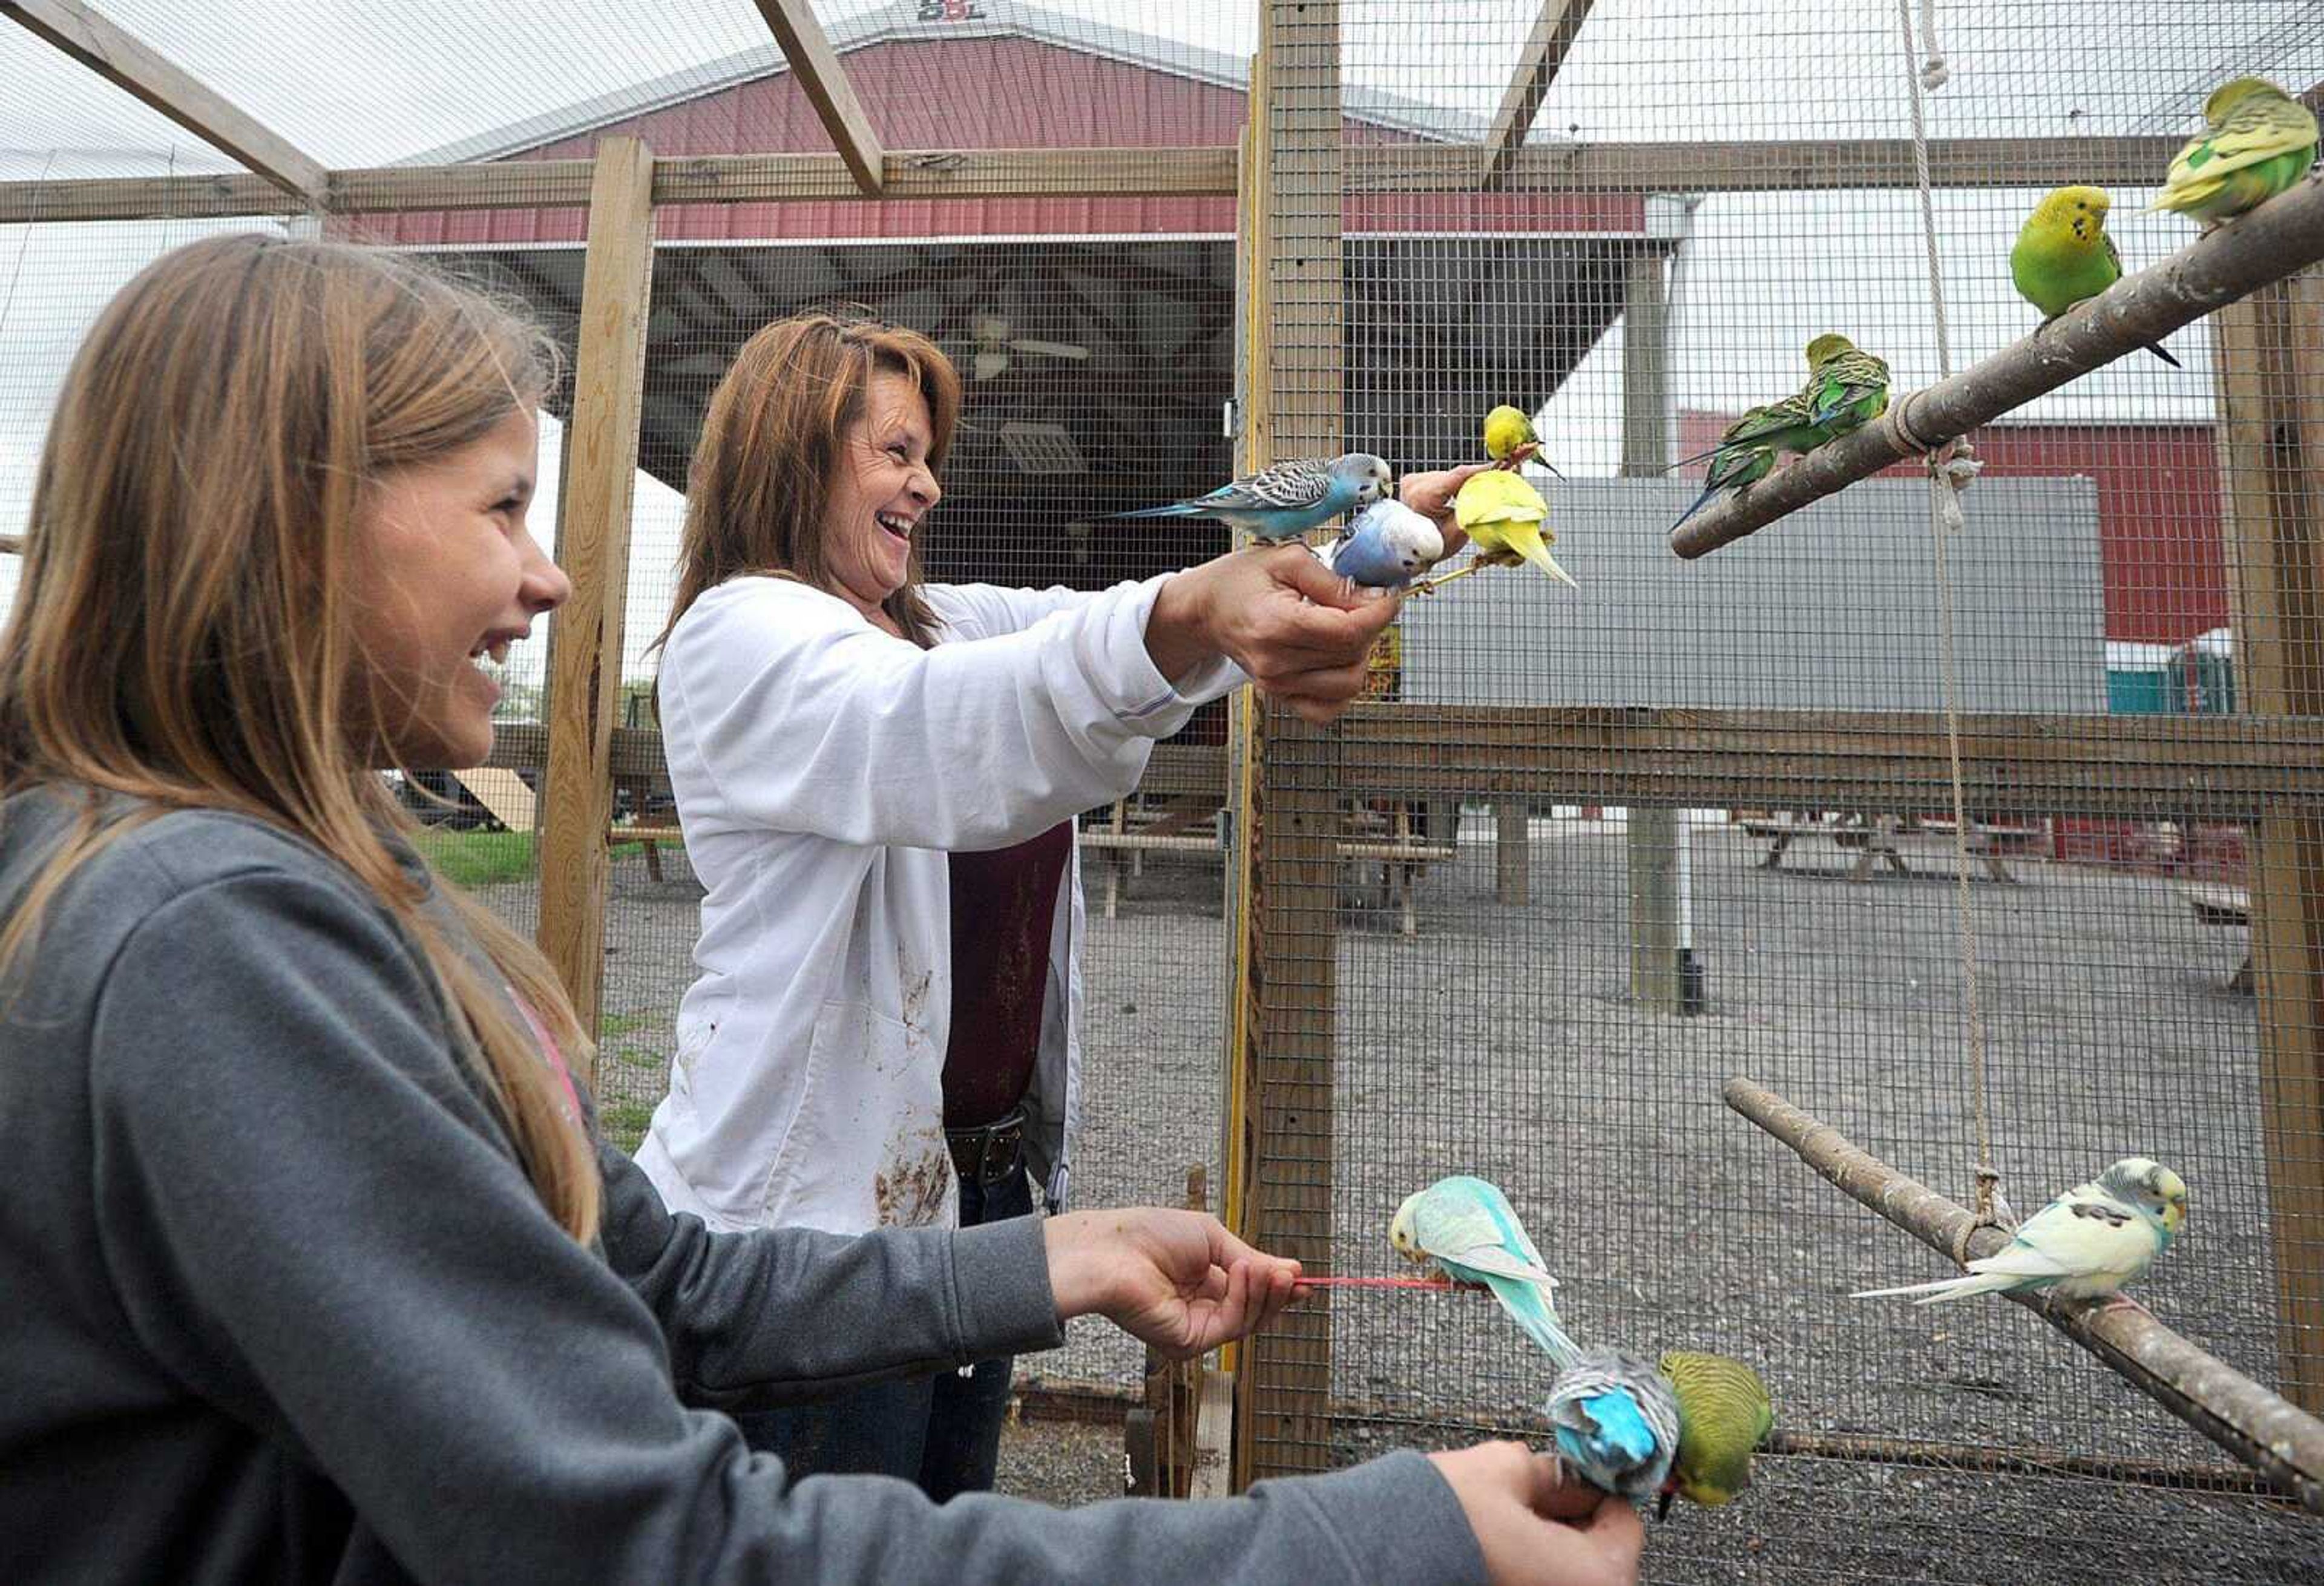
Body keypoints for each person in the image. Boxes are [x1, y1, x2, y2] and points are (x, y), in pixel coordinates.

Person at [0, 234, 1642, 1586]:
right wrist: (1376, 1542)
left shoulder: (264, 875)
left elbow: (638, 1277)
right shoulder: (222, 932)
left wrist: (1034, 1254)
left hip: (929, 1214)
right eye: (505, 505)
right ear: (292, 524)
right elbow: (651, 1536)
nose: (552, 571)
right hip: (817, 1205)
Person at [636, 310, 1482, 1493]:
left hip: (976, 1195)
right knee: (838, 1544)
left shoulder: (927, 623)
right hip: (806, 1233)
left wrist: (1367, 547)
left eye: (928, 454)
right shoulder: (745, 636)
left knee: (940, 1528)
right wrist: (1204, 612)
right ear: (793, 454)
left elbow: (1097, 636)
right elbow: (951, 726)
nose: (926, 485)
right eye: (895, 453)